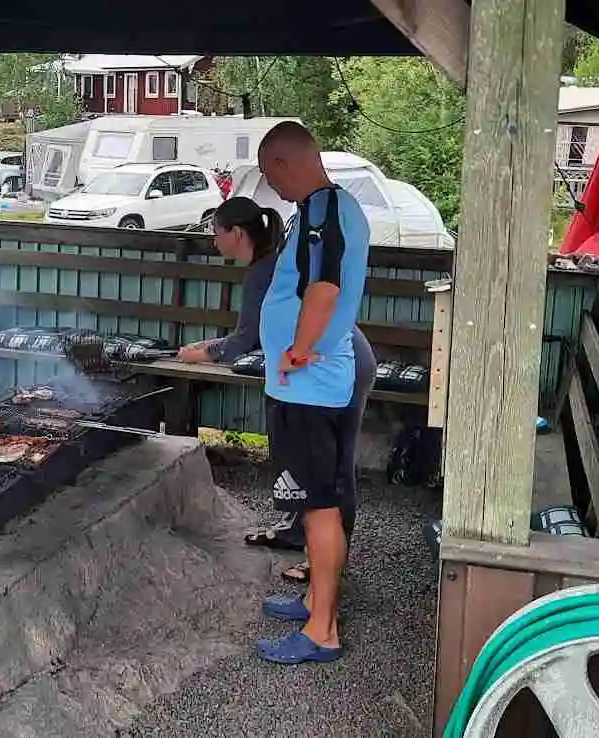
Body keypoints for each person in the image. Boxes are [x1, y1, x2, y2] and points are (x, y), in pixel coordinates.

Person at [177, 197, 377, 584]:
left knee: (333, 468)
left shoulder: (265, 271)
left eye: (216, 233)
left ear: (237, 233)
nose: (214, 242)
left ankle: (328, 564)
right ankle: (298, 532)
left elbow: (247, 337)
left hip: (339, 366)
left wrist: (204, 352)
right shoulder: (269, 264)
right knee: (305, 464)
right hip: (323, 365)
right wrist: (210, 349)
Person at [248, 122, 369, 665]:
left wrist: (296, 349)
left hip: (309, 386)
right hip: (313, 384)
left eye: (269, 174)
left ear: (283, 163)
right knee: (321, 502)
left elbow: (324, 287)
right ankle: (314, 601)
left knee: (318, 509)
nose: (271, 189)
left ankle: (322, 631)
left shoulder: (324, 210)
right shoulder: (328, 208)